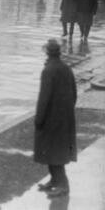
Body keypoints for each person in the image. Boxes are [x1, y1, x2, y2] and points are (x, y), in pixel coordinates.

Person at [34, 39, 77, 197]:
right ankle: (54, 180)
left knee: (52, 152)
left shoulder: (48, 71)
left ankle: (63, 185)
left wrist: (39, 119)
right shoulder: (66, 68)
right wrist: (66, 111)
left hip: (51, 120)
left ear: (47, 52)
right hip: (65, 118)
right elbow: (74, 93)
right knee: (56, 152)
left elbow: (43, 98)